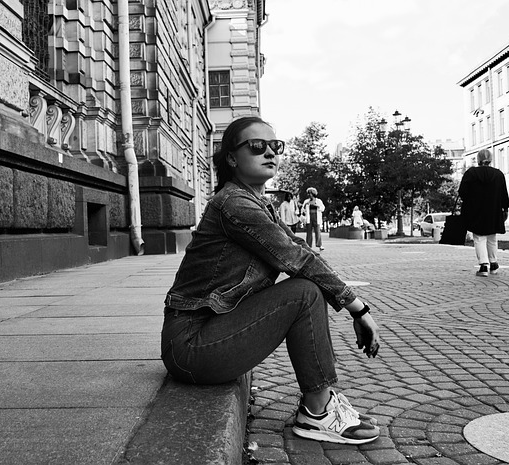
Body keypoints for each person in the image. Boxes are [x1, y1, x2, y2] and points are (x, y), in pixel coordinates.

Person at [161, 116, 381, 445]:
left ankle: (321, 403)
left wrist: (351, 303)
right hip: (191, 346)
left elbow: (303, 250)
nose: (270, 153)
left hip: (209, 335)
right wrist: (358, 309)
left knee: (308, 288)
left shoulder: (257, 203)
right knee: (304, 293)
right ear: (232, 158)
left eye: (275, 146)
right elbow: (298, 261)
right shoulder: (234, 203)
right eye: (256, 146)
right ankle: (318, 412)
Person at [459, 149, 509, 277]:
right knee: (492, 237)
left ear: (478, 159)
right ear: (490, 159)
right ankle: (493, 263)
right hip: (494, 209)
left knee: (479, 237)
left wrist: (471, 201)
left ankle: (483, 265)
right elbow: (504, 194)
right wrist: (505, 208)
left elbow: (462, 192)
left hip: (476, 209)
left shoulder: (471, 173)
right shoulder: (498, 174)